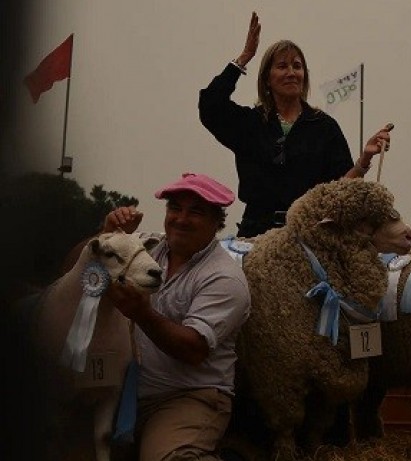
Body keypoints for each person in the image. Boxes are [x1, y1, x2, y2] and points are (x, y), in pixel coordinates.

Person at [199, 11, 393, 237]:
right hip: (257, 236)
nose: (291, 73)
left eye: (297, 66)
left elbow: (339, 189)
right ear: (267, 79)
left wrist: (364, 159)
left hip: (308, 236)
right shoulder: (250, 123)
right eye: (282, 66)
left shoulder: (323, 127)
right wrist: (244, 57)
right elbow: (210, 106)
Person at [104, 172, 251, 461]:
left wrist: (142, 313)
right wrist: (106, 235)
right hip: (127, 391)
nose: (181, 219)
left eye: (195, 212)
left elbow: (194, 349)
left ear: (215, 222)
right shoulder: (146, 247)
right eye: (175, 208)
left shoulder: (224, 277)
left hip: (189, 396)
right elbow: (72, 268)